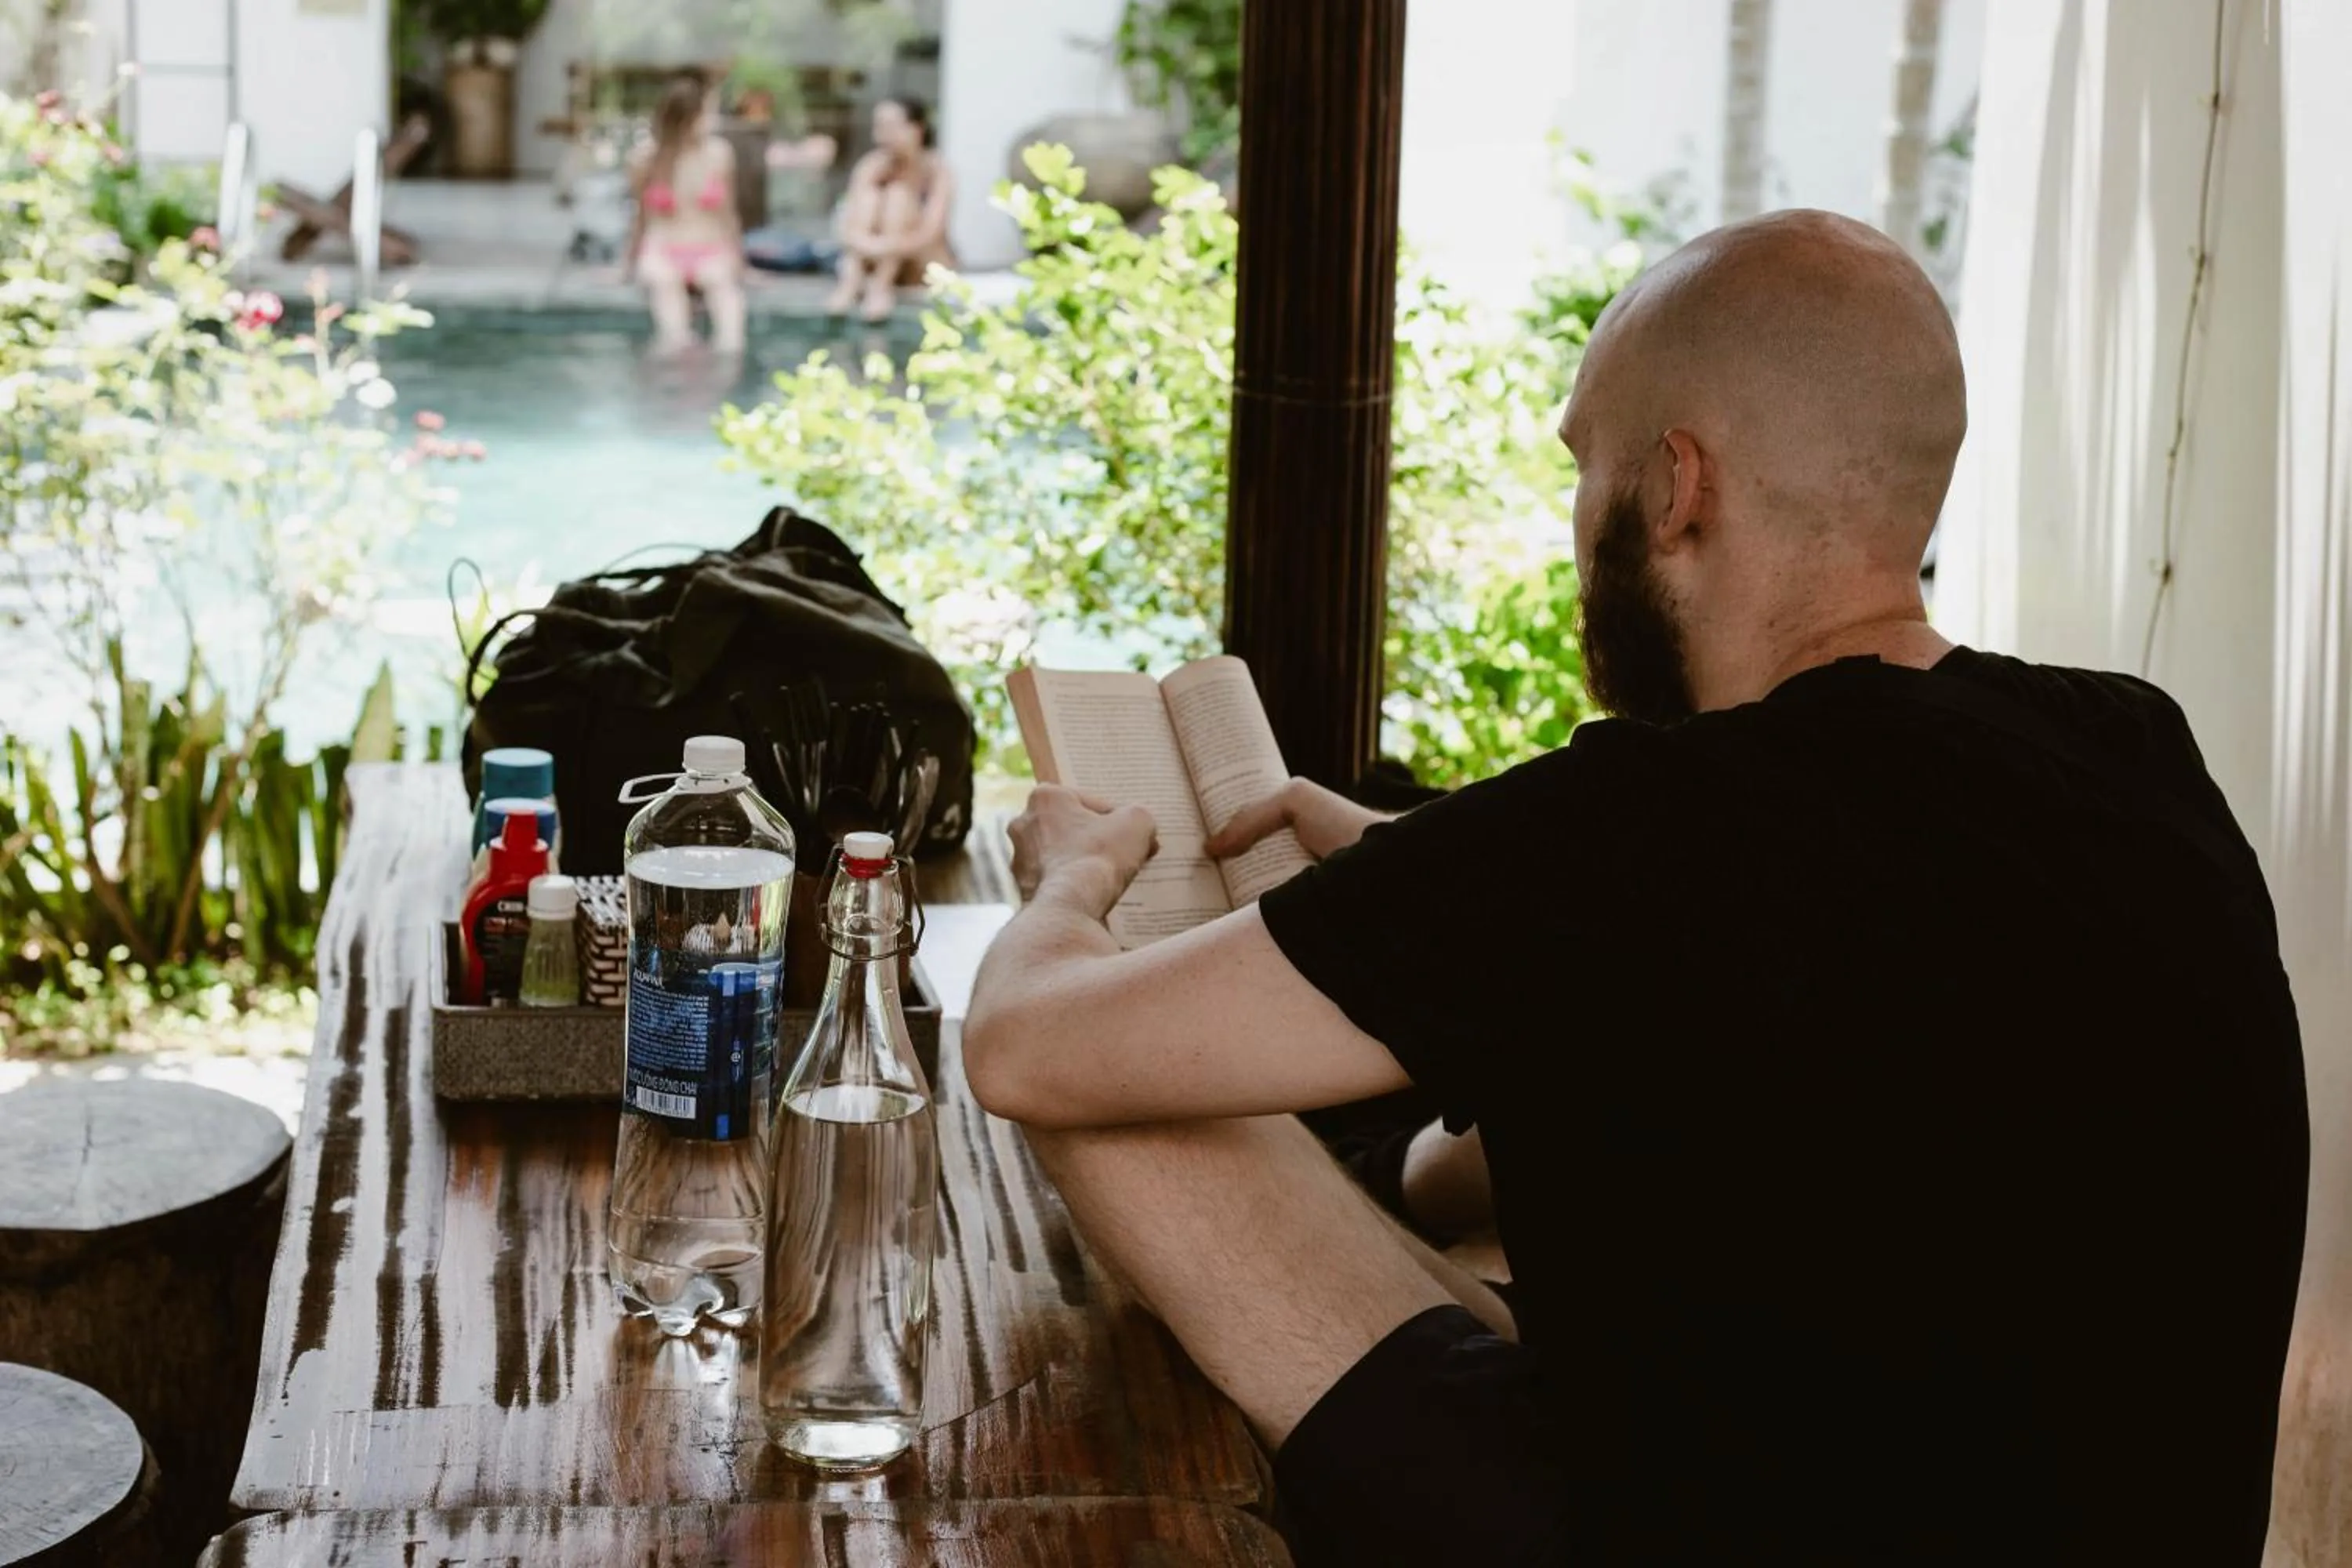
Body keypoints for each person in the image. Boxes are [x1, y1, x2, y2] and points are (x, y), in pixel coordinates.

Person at [961, 210, 2308, 1566]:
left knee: (1115, 1103)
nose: (1577, 517)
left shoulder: (1642, 830)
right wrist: (1405, 872)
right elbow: (1848, 1000)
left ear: (1675, 487)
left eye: (1586, 462)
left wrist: (1070, 884)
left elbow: (1026, 1050)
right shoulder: (2133, 749)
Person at [625, 73, 747, 355]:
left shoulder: (719, 154)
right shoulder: (644, 159)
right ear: (687, 118)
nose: (711, 121)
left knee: (730, 321)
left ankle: (728, 381)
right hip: (663, 248)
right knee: (670, 319)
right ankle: (673, 377)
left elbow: (729, 214)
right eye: (706, 114)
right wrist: (627, 265)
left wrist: (741, 262)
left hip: (710, 247)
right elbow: (640, 216)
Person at [822, 96, 955, 323]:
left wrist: (881, 247)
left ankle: (880, 286)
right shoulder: (872, 165)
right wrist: (872, 246)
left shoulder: (936, 170)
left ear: (917, 129)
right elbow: (847, 227)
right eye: (879, 127)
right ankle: (852, 284)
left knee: (898, 195)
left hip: (921, 263)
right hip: (874, 258)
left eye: (892, 126)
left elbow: (930, 235)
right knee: (870, 198)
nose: (882, 135)